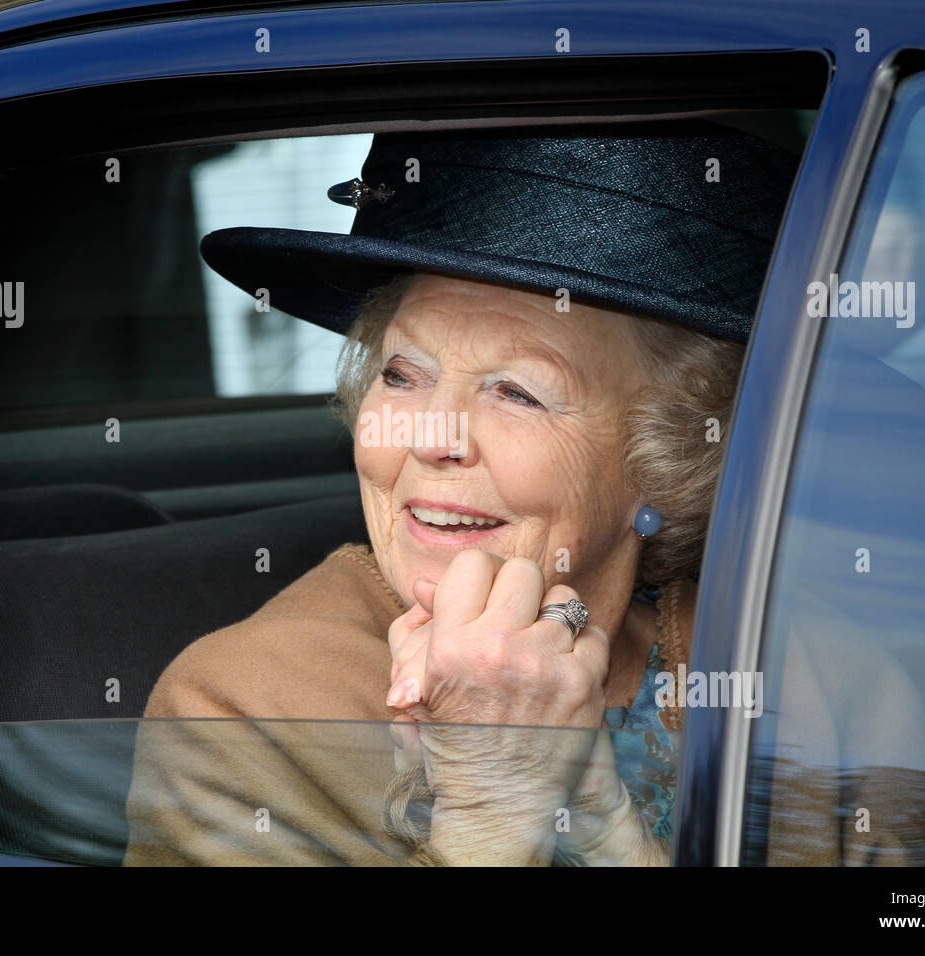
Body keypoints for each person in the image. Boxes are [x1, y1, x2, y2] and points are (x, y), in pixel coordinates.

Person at [124, 120, 799, 865]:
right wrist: (488, 811)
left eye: (517, 392)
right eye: (402, 374)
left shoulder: (803, 678)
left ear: (666, 454)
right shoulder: (245, 714)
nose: (431, 437)